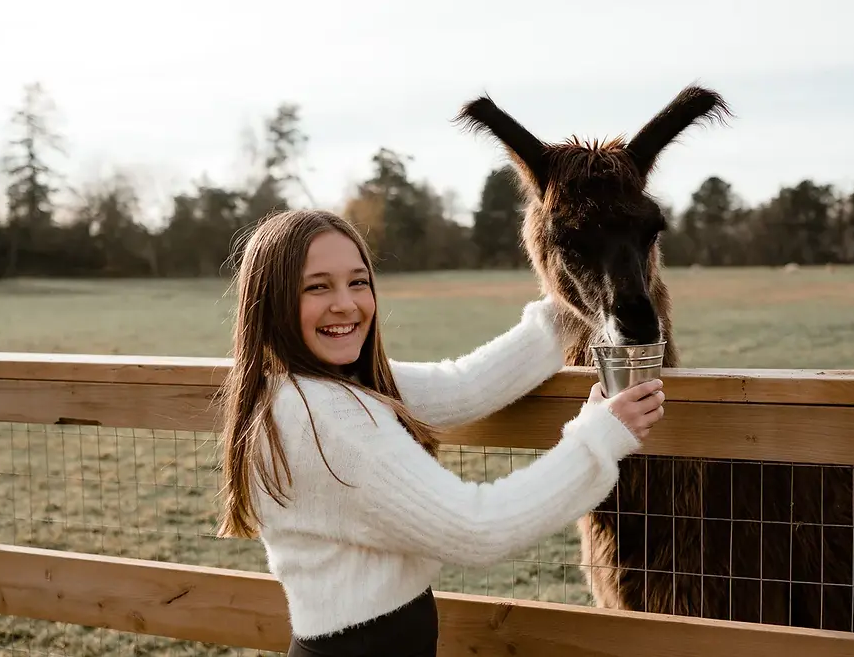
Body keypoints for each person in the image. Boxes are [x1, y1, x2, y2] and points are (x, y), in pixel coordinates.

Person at [216, 209, 666, 657]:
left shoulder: (309, 386)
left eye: (358, 281)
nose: (346, 304)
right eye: (317, 286)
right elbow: (477, 530)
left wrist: (580, 298)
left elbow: (462, 387)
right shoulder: (328, 418)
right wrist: (600, 438)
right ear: (271, 300)